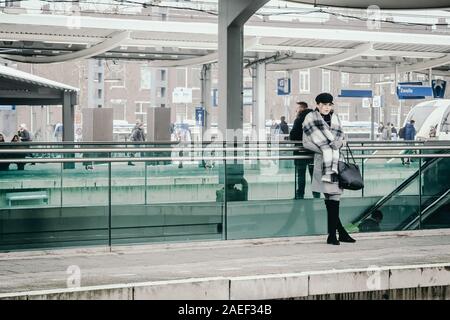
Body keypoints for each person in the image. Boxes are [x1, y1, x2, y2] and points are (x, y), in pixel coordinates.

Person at [302, 92, 356, 245]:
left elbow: (344, 138)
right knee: (332, 199)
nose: (326, 107)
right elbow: (306, 143)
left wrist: (339, 144)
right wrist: (325, 149)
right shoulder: (310, 118)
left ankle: (336, 234)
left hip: (337, 163)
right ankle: (335, 235)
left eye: (329, 104)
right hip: (323, 163)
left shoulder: (336, 118)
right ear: (318, 105)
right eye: (323, 104)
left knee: (333, 199)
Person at [290, 101, 320, 199]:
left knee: (301, 175)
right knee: (314, 175)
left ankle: (300, 194)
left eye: (297, 108)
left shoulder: (299, 120)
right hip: (313, 152)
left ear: (302, 108)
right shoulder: (315, 119)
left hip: (301, 151)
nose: (296, 110)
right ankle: (316, 194)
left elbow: (293, 136)